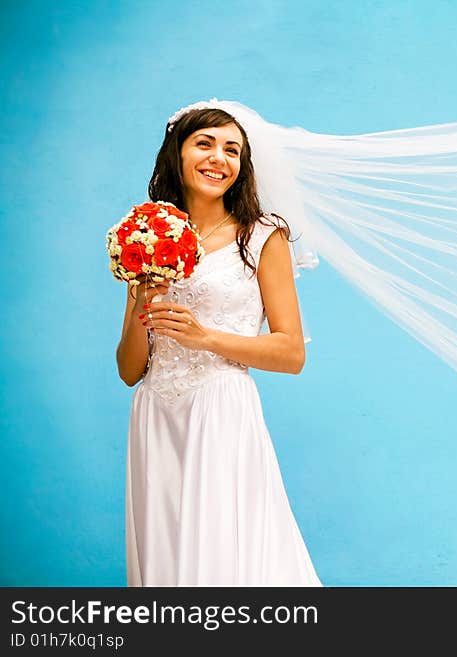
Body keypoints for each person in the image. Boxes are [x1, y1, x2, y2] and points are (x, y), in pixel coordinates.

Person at [115, 105, 322, 586]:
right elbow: (129, 370)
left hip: (220, 410)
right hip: (154, 415)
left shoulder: (262, 236)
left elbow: (291, 353)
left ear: (243, 166)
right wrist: (143, 301)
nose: (218, 158)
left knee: (223, 558)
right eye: (204, 143)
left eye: (232, 150)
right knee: (166, 560)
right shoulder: (149, 235)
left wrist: (204, 337)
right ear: (178, 153)